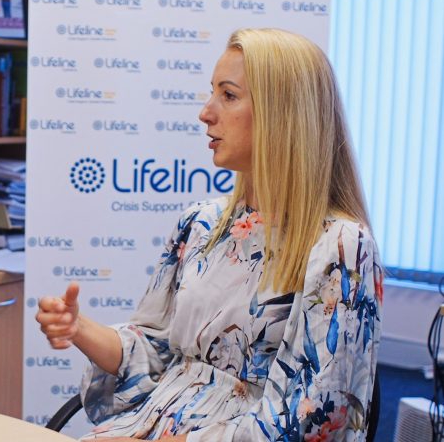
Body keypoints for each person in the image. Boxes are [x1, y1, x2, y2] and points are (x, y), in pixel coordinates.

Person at [36, 28, 383, 441]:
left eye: (229, 95)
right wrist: (79, 329)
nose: (206, 112)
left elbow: (312, 418)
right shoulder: (200, 223)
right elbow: (158, 354)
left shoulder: (340, 246)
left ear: (282, 113)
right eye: (212, 93)